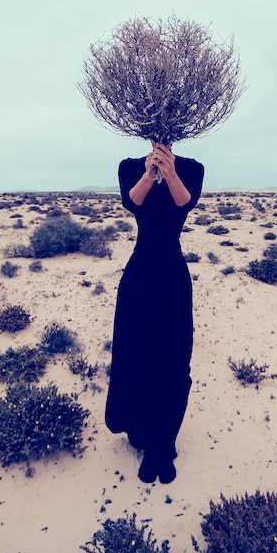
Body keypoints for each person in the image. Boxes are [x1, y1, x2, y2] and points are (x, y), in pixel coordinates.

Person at [105, 140, 205, 483]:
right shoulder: (129, 166)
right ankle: (143, 437)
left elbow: (184, 203)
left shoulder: (192, 168)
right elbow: (131, 202)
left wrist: (171, 171)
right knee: (136, 354)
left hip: (173, 275)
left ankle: (165, 445)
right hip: (139, 274)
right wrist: (150, 173)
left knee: (174, 360)